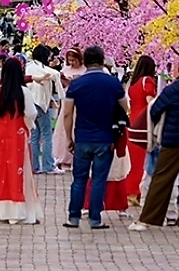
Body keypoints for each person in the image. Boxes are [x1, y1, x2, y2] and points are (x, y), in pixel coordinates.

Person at [129, 55, 179, 233]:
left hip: (174, 141)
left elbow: (155, 110)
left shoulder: (173, 89)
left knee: (161, 180)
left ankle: (146, 219)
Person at [61, 45, 127, 230]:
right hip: (105, 138)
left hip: (82, 137)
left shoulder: (76, 84)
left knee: (79, 179)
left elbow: (67, 113)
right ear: (102, 60)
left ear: (86, 61)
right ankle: (95, 218)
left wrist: (68, 138)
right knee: (99, 179)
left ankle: (73, 217)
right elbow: (125, 106)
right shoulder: (112, 83)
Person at [0, 57, 41, 225]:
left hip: (0, 139)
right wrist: (27, 127)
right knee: (19, 172)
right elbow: (31, 114)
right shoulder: (24, 92)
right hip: (18, 139)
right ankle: (18, 212)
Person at [25, 45, 65, 175]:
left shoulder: (29, 67)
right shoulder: (41, 69)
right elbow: (56, 74)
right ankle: (48, 165)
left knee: (34, 136)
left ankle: (34, 166)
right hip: (41, 104)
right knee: (47, 135)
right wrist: (60, 96)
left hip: (30, 104)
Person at [125, 55, 158, 205]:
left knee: (132, 160)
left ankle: (129, 191)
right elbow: (150, 101)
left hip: (132, 121)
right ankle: (136, 191)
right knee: (142, 160)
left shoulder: (134, 83)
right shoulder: (148, 81)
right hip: (144, 123)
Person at [52, 47, 85, 170]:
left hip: (80, 102)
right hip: (67, 100)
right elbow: (63, 86)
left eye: (73, 60)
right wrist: (64, 80)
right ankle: (63, 156)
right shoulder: (65, 69)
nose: (71, 63)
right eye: (69, 60)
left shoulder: (85, 70)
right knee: (64, 128)